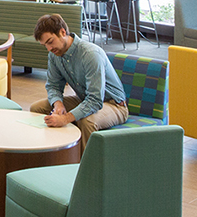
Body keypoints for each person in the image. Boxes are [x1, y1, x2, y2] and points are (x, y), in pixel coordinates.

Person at [28, 13, 128, 148]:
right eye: (45, 45)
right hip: (84, 99)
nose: (49, 49)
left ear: (62, 32)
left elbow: (95, 100)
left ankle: (84, 166)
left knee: (87, 121)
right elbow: (53, 85)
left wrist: (65, 118)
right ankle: (54, 154)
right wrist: (58, 104)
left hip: (113, 104)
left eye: (50, 42)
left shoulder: (90, 54)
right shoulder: (54, 55)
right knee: (37, 108)